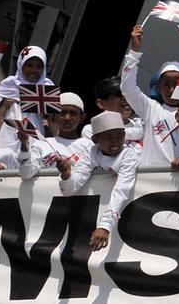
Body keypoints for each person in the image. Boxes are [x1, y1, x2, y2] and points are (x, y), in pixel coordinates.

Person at [122, 25, 179, 168]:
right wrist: (134, 51)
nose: (171, 89)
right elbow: (128, 88)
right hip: (149, 183)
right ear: (159, 87)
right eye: (166, 85)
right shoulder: (150, 109)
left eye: (176, 84)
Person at [58, 111, 140, 251]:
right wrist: (66, 176)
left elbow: (122, 190)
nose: (115, 141)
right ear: (95, 139)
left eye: (119, 136)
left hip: (128, 216)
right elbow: (69, 189)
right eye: (108, 137)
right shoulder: (91, 153)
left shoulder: (129, 154)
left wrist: (105, 226)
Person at [0, 45, 56, 147]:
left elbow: (52, 115)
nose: (33, 70)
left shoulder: (47, 85)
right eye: (29, 65)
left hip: (36, 132)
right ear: (21, 65)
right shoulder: (10, 83)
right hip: (9, 132)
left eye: (38, 67)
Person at [83, 76, 144, 151]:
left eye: (129, 95)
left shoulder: (141, 126)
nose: (127, 100)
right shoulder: (92, 130)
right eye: (121, 96)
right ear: (101, 103)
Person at [31, 92, 90, 167]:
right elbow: (27, 173)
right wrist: (24, 150)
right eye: (62, 113)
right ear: (53, 117)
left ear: (82, 118)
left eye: (73, 113)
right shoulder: (44, 144)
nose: (67, 118)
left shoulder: (89, 146)